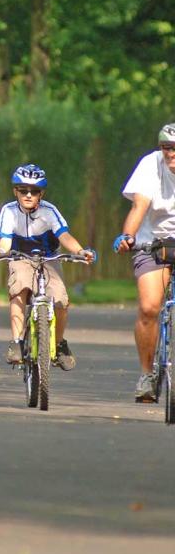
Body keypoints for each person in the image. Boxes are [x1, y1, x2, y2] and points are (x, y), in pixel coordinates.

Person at [0, 163, 95, 369]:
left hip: (48, 258)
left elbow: (64, 235)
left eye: (34, 191)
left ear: (41, 193)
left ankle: (59, 344)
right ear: (15, 191)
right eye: (23, 190)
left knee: (61, 300)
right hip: (20, 257)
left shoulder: (50, 211)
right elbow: (5, 241)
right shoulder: (8, 211)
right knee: (18, 289)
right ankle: (17, 342)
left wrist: (81, 252)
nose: (28, 195)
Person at [113, 122, 175, 402]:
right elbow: (139, 205)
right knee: (149, 308)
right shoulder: (151, 165)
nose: (170, 155)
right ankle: (147, 374)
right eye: (166, 149)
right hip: (154, 242)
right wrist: (128, 235)